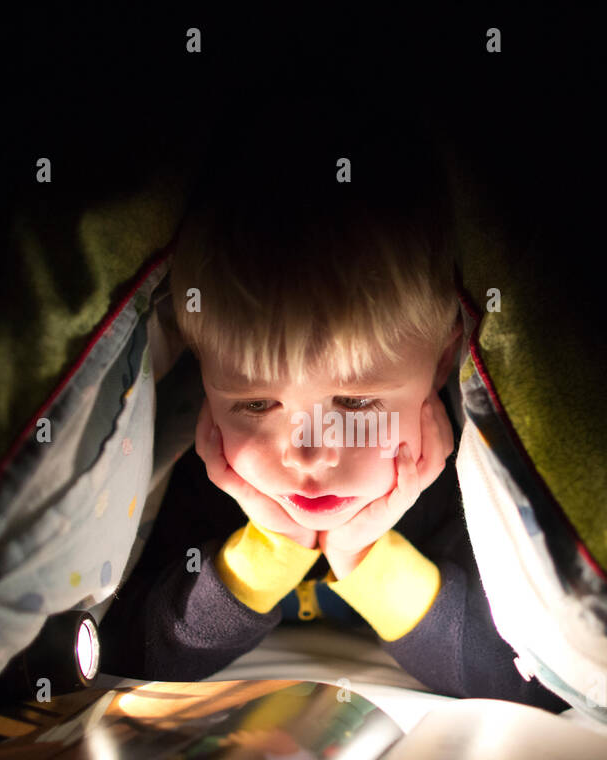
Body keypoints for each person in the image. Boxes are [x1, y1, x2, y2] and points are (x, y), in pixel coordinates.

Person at [100, 95, 567, 714]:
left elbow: (531, 675)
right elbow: (112, 650)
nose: (308, 452)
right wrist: (271, 546)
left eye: (353, 401)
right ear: (199, 370)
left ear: (440, 359)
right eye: (255, 403)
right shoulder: (192, 479)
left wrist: (364, 553)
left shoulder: (458, 491)